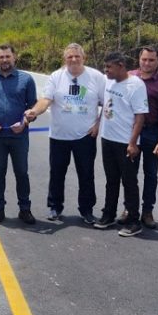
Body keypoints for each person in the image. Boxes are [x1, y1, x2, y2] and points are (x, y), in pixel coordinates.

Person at [24, 43, 106, 225]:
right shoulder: (56, 77)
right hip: (59, 135)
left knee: (86, 174)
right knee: (57, 173)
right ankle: (55, 207)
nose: (73, 59)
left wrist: (98, 124)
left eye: (77, 56)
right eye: (70, 57)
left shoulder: (96, 77)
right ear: (65, 59)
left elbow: (107, 102)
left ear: (83, 58)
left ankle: (86, 210)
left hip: (85, 135)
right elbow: (46, 100)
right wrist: (34, 111)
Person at [0, 44, 38, 224]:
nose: (4, 60)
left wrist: (25, 122)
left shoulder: (26, 80)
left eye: (7, 56)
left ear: (14, 57)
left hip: (20, 137)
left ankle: (25, 209)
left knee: (22, 173)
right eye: (1, 57)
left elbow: (33, 108)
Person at [93, 52, 149, 236]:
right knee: (111, 180)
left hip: (126, 142)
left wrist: (133, 143)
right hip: (107, 139)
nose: (106, 70)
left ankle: (133, 221)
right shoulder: (108, 81)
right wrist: (98, 125)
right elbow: (106, 106)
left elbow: (140, 117)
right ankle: (108, 215)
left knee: (129, 182)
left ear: (121, 66)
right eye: (105, 67)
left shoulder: (136, 85)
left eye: (109, 67)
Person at [121, 47, 158, 228]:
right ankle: (129, 209)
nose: (147, 63)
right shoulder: (129, 77)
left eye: (151, 60)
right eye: (144, 59)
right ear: (139, 59)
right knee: (129, 173)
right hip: (131, 132)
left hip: (152, 131)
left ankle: (147, 211)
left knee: (151, 174)